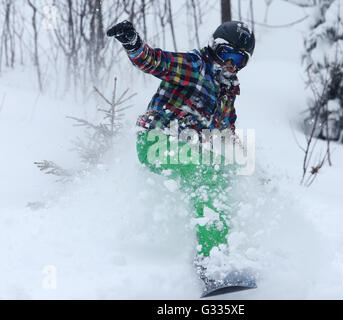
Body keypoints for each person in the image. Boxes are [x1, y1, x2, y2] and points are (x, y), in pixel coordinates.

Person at [107, 20, 255, 285]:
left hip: (184, 149)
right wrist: (133, 43)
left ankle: (222, 253)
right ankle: (212, 264)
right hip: (155, 141)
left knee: (223, 171)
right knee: (210, 172)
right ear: (214, 48)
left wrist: (250, 168)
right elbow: (155, 62)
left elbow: (226, 130)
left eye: (239, 60)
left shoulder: (227, 91)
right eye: (226, 55)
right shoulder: (196, 66)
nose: (231, 64)